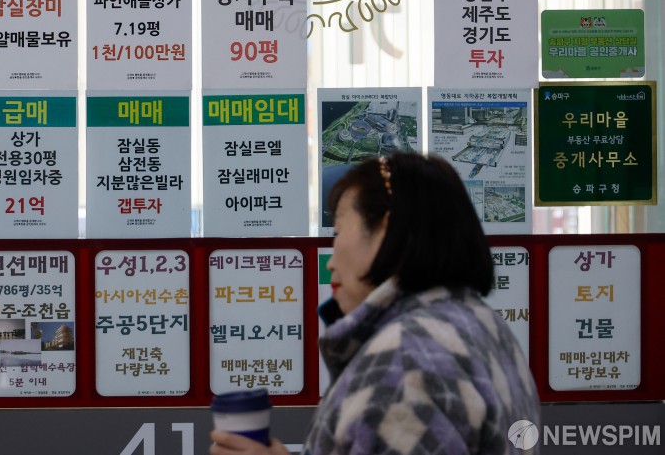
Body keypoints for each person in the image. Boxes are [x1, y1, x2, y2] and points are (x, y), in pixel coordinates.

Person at [210, 152, 540, 455]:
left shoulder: (406, 361)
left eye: (338, 231)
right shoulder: (485, 326)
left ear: (385, 229)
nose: (330, 262)